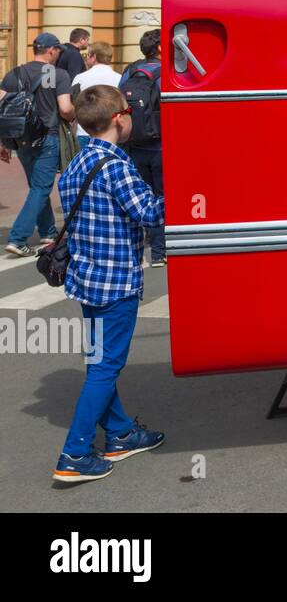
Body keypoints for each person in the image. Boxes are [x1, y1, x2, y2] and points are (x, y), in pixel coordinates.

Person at [52, 84, 165, 484]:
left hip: (87, 279)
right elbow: (149, 213)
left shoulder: (78, 164)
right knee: (104, 367)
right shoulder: (116, 166)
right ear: (118, 118)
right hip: (116, 282)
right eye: (129, 111)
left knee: (100, 362)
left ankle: (119, 434)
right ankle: (76, 452)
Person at [0, 32, 76, 256]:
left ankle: (48, 232)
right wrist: (74, 115)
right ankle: (18, 238)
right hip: (47, 137)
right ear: (51, 50)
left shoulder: (14, 73)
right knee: (41, 188)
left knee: (37, 186)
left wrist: (4, 142)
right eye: (58, 51)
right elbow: (64, 108)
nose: (59, 54)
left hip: (20, 139)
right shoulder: (57, 74)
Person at [119, 30, 165, 267]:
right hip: (160, 144)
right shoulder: (165, 73)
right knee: (161, 195)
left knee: (142, 194)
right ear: (159, 48)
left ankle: (142, 241)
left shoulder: (129, 71)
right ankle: (158, 252)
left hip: (135, 144)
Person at [70, 41, 118, 148]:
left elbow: (73, 105)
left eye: (87, 55)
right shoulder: (119, 78)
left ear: (93, 57)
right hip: (111, 134)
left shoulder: (80, 78)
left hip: (84, 132)